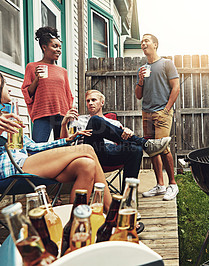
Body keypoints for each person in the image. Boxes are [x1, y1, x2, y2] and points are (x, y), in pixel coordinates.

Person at [0, 68, 112, 211]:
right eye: (4, 83)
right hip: (2, 170)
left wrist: (66, 141)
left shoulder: (3, 117)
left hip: (20, 165)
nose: (9, 89)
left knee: (86, 165)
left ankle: (75, 223)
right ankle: (113, 213)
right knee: (87, 149)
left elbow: (34, 147)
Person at [60, 90, 172, 184]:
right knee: (94, 120)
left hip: (109, 154)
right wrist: (64, 124)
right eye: (88, 101)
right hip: (88, 153)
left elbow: (124, 143)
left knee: (136, 149)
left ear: (102, 102)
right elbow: (65, 142)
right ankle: (145, 144)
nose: (90, 103)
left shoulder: (114, 123)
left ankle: (127, 197)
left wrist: (128, 132)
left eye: (94, 100)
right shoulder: (78, 120)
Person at [135, 34, 180, 201]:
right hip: (146, 112)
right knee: (152, 150)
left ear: (155, 44)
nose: (143, 43)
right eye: (142, 42)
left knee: (162, 148)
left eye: (147, 40)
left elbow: (175, 87)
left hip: (162, 111)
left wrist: (167, 109)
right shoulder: (143, 68)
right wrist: (140, 80)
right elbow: (138, 95)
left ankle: (173, 185)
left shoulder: (166, 64)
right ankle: (160, 185)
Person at [21, 26, 73, 143]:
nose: (59, 50)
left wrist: (71, 112)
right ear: (44, 47)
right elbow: (27, 93)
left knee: (63, 148)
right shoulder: (32, 67)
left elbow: (67, 94)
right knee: (37, 148)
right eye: (55, 46)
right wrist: (37, 79)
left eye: (60, 47)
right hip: (42, 113)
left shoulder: (62, 71)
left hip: (61, 114)